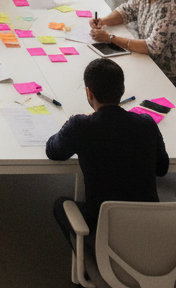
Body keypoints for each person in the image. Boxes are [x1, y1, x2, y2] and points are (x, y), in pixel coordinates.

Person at [46, 57, 169, 247]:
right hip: (148, 226)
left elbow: (53, 150)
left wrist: (70, 124)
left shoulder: (81, 126)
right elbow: (162, 168)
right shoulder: (146, 123)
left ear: (89, 93)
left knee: (60, 204)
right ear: (122, 90)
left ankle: (90, 254)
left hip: (103, 227)